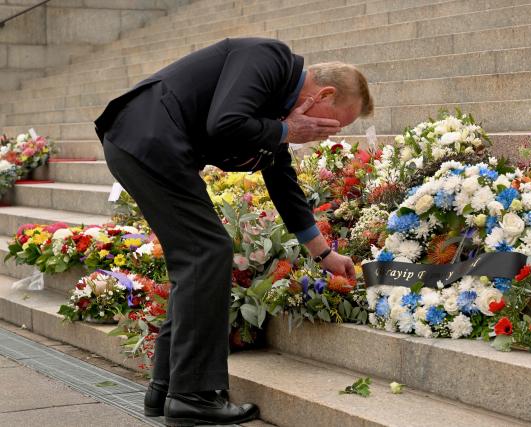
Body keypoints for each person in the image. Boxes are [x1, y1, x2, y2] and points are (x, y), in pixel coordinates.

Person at [94, 37, 373, 426]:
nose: (325, 133)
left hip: (145, 144)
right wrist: (285, 130)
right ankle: (194, 395)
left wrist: (324, 254)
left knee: (198, 258)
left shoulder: (277, 112)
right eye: (334, 122)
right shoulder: (269, 58)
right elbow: (225, 122)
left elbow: (282, 181)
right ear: (324, 94)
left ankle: (168, 387)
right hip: (147, 139)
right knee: (208, 252)